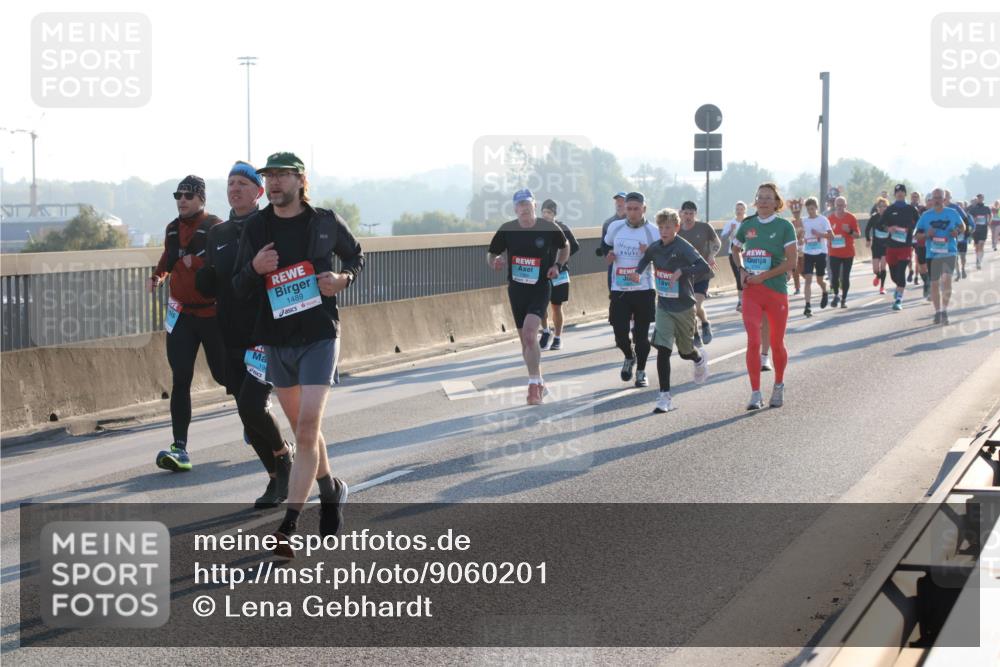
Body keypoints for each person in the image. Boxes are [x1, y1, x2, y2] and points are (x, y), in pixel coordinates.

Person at [232, 151, 364, 556]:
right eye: (269, 177)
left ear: (300, 181)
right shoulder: (256, 227)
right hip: (276, 340)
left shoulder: (324, 221)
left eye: (282, 176)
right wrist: (255, 268)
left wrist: (343, 279)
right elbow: (238, 287)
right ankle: (330, 488)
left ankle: (288, 526)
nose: (273, 183)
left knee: (306, 430)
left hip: (320, 336)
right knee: (304, 430)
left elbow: (357, 256)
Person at [195, 161, 294, 508]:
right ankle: (274, 476)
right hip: (229, 333)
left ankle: (283, 457)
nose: (234, 189)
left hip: (264, 332)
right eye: (230, 183)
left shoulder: (270, 225)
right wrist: (203, 279)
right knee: (244, 410)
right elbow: (214, 280)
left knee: (253, 404)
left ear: (258, 191)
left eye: (242, 183)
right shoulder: (218, 234)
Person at [148, 175, 226, 472]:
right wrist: (158, 276)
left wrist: (203, 264)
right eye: (178, 195)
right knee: (181, 378)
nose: (182, 200)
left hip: (212, 314)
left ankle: (255, 415)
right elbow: (170, 257)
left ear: (202, 200)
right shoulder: (171, 229)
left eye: (189, 196)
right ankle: (179, 448)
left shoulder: (216, 227)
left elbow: (227, 263)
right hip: (181, 315)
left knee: (223, 375)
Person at [487, 189, 570, 404]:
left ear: (534, 205)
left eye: (527, 204)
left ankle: (533, 385)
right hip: (516, 290)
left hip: (540, 287)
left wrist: (558, 265)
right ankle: (539, 381)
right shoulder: (507, 229)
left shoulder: (548, 227)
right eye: (520, 204)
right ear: (515, 208)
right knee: (526, 341)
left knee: (532, 333)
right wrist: (494, 261)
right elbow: (491, 253)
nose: (524, 208)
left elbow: (565, 246)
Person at [629, 208, 710, 413]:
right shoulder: (655, 247)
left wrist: (683, 271)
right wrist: (638, 273)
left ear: (677, 227)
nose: (664, 231)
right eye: (661, 227)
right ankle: (664, 397)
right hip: (663, 305)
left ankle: (699, 358)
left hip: (684, 307)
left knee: (684, 352)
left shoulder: (684, 247)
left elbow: (703, 267)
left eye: (668, 227)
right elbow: (645, 259)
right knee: (663, 350)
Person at [731, 183, 797, 410]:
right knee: (753, 341)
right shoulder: (747, 225)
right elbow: (734, 249)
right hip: (751, 291)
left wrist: (765, 276)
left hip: (776, 291)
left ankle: (778, 385)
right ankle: (755, 393)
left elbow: (792, 263)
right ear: (755, 201)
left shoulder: (784, 226)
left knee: (777, 343)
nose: (764, 201)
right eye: (760, 197)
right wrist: (742, 270)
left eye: (769, 198)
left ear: (777, 202)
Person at [604, 192, 658, 388]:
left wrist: (649, 254)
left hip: (644, 289)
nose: (632, 213)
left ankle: (642, 372)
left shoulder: (653, 232)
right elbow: (606, 246)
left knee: (641, 335)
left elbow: (662, 258)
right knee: (620, 334)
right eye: (629, 209)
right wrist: (609, 255)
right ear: (624, 209)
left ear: (644, 209)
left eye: (636, 209)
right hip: (620, 289)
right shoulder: (615, 227)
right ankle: (629, 355)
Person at [915, 188, 965, 325]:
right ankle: (937, 312)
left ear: (944, 199)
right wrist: (926, 235)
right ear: (931, 200)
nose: (937, 200)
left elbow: (963, 227)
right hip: (932, 253)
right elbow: (916, 235)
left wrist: (957, 232)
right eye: (934, 198)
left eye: (939, 198)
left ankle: (944, 311)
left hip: (949, 251)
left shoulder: (952, 213)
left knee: (947, 279)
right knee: (935, 284)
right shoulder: (925, 216)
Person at [677, 201, 722, 345]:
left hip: (702, 273)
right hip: (684, 276)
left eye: (691, 214)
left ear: (695, 214)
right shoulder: (677, 231)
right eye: (686, 213)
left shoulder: (704, 227)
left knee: (694, 306)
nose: (688, 216)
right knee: (690, 309)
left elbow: (717, 243)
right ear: (681, 213)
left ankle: (703, 325)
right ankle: (699, 329)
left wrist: (711, 255)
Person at [537, 199, 580, 351]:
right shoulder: (538, 228)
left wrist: (560, 261)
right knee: (540, 306)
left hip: (559, 273)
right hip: (541, 273)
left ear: (554, 214)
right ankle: (545, 331)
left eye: (549, 213)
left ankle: (558, 337)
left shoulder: (562, 228)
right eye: (543, 212)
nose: (546, 215)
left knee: (556, 306)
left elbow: (574, 246)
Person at [882, 185, 919, 311]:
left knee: (901, 271)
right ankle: (899, 288)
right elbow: (882, 223)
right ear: (895, 194)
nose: (900, 194)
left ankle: (899, 299)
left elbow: (919, 224)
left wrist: (911, 229)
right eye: (897, 192)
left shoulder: (911, 209)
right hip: (891, 246)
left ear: (905, 194)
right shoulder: (890, 209)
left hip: (905, 246)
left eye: (902, 191)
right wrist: (888, 228)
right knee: (893, 275)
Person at [800, 196, 832, 317]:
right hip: (808, 252)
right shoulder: (804, 221)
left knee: (819, 280)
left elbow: (831, 236)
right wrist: (801, 236)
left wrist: (819, 234)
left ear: (817, 208)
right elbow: (799, 233)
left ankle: (825, 291)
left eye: (812, 209)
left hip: (821, 252)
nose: (810, 211)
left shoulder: (823, 220)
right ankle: (807, 306)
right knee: (808, 279)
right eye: (808, 209)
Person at [827, 196, 861, 308]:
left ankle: (844, 299)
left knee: (845, 277)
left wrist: (850, 231)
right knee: (834, 277)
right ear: (834, 205)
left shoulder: (851, 218)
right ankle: (836, 295)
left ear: (845, 206)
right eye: (837, 205)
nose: (839, 207)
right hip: (834, 253)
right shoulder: (830, 219)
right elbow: (826, 235)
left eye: (842, 205)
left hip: (848, 253)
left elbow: (858, 235)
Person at [597, 192, 628, 295]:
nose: (619, 204)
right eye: (617, 201)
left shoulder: (633, 221)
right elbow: (604, 245)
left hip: (630, 264)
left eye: (622, 201)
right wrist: (608, 253)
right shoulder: (608, 223)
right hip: (614, 265)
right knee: (614, 294)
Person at [719, 201, 747, 312]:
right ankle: (740, 301)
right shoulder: (730, 223)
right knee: (738, 276)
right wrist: (730, 230)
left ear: (744, 210)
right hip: (733, 253)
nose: (739, 211)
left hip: (747, 253)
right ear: (735, 210)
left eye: (741, 209)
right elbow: (722, 238)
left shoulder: (748, 222)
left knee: (749, 276)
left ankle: (749, 299)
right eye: (737, 209)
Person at [945, 190, 971, 281]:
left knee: (962, 256)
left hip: (960, 234)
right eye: (943, 195)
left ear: (949, 197)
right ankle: (958, 272)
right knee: (953, 255)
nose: (945, 197)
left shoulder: (955, 207)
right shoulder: (939, 208)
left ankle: (963, 268)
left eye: (947, 196)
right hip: (948, 237)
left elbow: (965, 219)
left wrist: (964, 232)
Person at [866, 197, 890, 294]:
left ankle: (882, 287)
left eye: (885, 206)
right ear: (877, 207)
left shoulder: (890, 218)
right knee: (876, 269)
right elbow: (867, 229)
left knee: (883, 267)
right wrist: (868, 239)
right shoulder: (874, 217)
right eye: (880, 206)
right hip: (876, 245)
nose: (882, 208)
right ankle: (878, 276)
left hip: (886, 245)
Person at [966, 194, 992, 269]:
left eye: (981, 198)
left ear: (983, 199)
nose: (980, 199)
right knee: (977, 247)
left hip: (984, 228)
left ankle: (979, 261)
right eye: (979, 198)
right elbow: (969, 217)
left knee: (981, 245)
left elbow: (990, 215)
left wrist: (989, 222)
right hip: (976, 229)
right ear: (977, 199)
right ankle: (978, 259)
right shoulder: (973, 208)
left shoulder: (986, 208)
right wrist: (974, 220)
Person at [787, 197, 805, 295]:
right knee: (795, 270)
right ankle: (797, 287)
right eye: (794, 212)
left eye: (798, 212)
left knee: (804, 270)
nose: (796, 214)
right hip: (795, 250)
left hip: (805, 249)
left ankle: (808, 282)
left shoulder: (805, 221)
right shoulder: (791, 223)